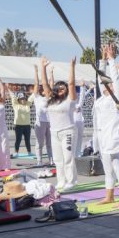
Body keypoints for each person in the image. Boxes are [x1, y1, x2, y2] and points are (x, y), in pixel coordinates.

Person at [93, 44, 119, 207]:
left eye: (112, 84)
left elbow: (114, 78)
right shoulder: (102, 98)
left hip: (115, 138)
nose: (108, 85)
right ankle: (109, 195)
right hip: (102, 138)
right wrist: (102, 60)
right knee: (108, 170)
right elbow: (100, 78)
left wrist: (111, 59)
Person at [39, 57, 78, 191]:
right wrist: (43, 68)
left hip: (67, 131)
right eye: (59, 88)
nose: (62, 90)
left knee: (68, 158)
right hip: (54, 132)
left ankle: (71, 181)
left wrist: (72, 66)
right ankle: (61, 181)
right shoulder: (51, 99)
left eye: (64, 88)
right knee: (58, 159)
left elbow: (72, 83)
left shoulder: (70, 100)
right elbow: (44, 83)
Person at [31, 64, 52, 166]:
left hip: (49, 122)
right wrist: (36, 71)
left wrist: (51, 73)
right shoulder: (37, 98)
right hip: (40, 122)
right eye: (43, 88)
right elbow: (36, 83)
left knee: (49, 143)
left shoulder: (49, 98)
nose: (45, 89)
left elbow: (49, 84)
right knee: (39, 143)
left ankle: (51, 160)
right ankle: (39, 161)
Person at [11, 91, 33, 157]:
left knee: (27, 140)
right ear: (18, 100)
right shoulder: (15, 105)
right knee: (18, 139)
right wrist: (7, 88)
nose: (23, 100)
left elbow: (32, 96)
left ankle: (29, 152)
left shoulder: (28, 104)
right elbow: (13, 97)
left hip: (27, 126)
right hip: (18, 125)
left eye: (24, 98)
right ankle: (16, 152)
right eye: (21, 99)